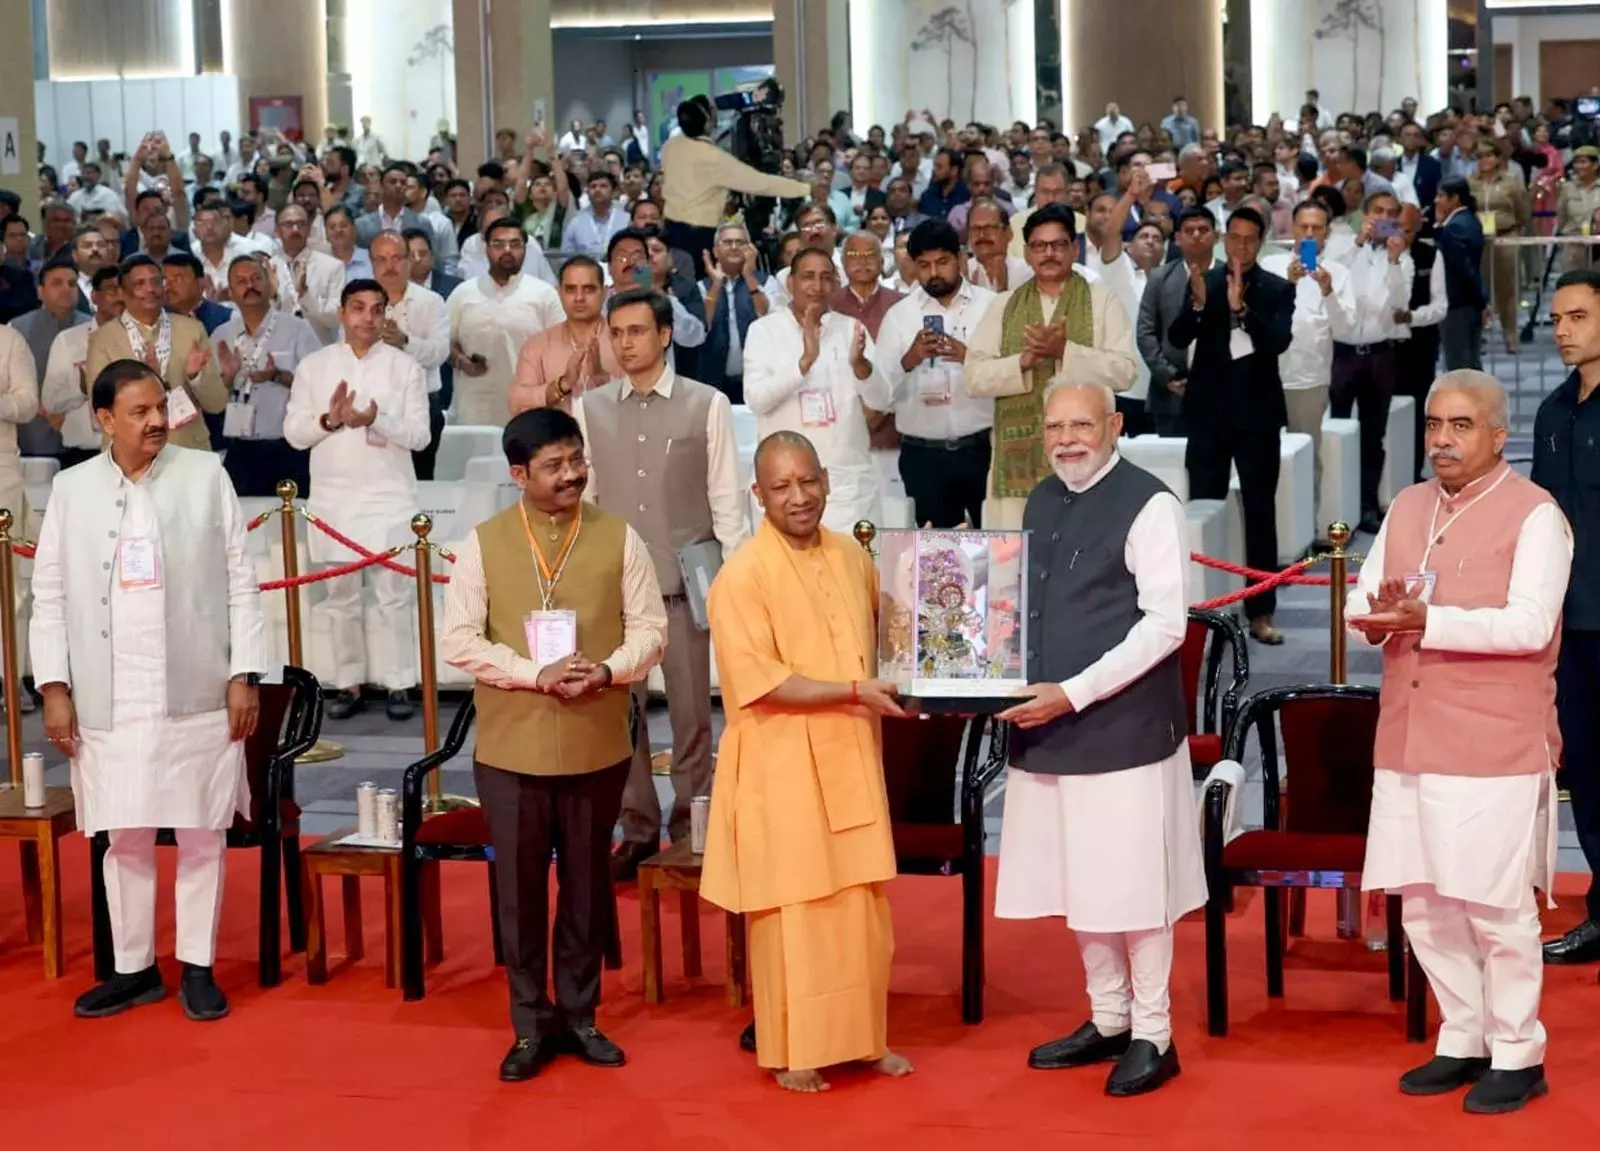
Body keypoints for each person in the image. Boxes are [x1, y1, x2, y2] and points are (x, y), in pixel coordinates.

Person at [1348, 369, 1569, 1115]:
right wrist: (1374, 615)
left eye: (1461, 426)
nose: (1442, 439)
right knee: (1425, 902)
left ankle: (1518, 1050)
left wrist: (1427, 623)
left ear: (1499, 435)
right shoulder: (1408, 504)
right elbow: (1364, 596)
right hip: (1407, 735)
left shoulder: (1536, 514)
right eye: (1435, 425)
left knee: (1494, 904)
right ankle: (1462, 1035)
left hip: (1493, 742)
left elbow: (1530, 624)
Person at [33, 358, 267, 1022]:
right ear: (103, 419)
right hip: (109, 692)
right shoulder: (73, 490)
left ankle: (198, 965)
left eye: (160, 407)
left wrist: (243, 673)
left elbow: (241, 580)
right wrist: (54, 686)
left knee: (201, 832)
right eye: (139, 412)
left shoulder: (204, 474)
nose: (158, 421)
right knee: (123, 834)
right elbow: (47, 595)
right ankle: (134, 968)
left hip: (196, 687)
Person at [439, 405, 667, 1081]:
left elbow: (652, 628)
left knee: (588, 886)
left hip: (598, 742)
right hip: (511, 748)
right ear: (518, 474)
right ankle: (529, 1022)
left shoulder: (619, 537)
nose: (571, 475)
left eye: (576, 461)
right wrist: (531, 673)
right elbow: (459, 640)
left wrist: (610, 668)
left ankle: (580, 1013)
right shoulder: (482, 543)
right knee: (518, 890)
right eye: (554, 466)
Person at [993, 379, 1206, 1096]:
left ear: (1115, 424)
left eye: (1081, 423)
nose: (1066, 439)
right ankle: (1108, 1016)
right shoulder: (1042, 497)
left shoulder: (1150, 503)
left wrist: (1074, 692)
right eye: (1054, 426)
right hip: (1049, 727)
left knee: (1133, 885)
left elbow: (1167, 624)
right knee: (1079, 881)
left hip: (1123, 730)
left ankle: (1154, 1031)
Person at [701, 430, 914, 1093]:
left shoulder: (853, 556)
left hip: (849, 749)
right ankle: (793, 1051)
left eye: (808, 481)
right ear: (757, 494)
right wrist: (853, 692)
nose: (799, 497)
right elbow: (761, 681)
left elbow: (891, 644)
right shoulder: (742, 575)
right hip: (781, 763)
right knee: (793, 913)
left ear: (826, 477)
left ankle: (864, 1039)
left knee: (859, 907)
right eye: (782, 487)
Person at [571, 288, 746, 878]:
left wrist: (735, 586)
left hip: (689, 589)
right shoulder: (590, 409)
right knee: (624, 717)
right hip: (618, 595)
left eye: (637, 331)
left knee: (695, 717)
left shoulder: (707, 404)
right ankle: (638, 829)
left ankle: (694, 827)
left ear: (665, 335)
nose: (625, 343)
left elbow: (727, 503)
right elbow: (585, 503)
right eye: (616, 333)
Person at [283, 279, 430, 722]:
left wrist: (375, 419)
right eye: (358, 308)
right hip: (334, 500)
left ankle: (400, 682)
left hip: (389, 498)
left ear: (387, 315)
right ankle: (348, 682)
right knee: (341, 598)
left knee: (394, 596)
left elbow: (420, 437)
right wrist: (330, 418)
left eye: (376, 309)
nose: (368, 317)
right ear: (343, 314)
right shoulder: (314, 366)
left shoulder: (407, 368)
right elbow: (294, 433)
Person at [964, 203, 1138, 529]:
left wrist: (1065, 352)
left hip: (1088, 458)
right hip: (1017, 467)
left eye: (1058, 245)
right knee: (1018, 562)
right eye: (1039, 246)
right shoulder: (1003, 306)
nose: (1049, 254)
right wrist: (1024, 362)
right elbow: (973, 378)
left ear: (1074, 249)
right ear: (1027, 253)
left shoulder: (1101, 300)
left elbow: (1125, 371)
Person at [1168, 206, 1295, 645]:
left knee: (1260, 513)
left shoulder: (1277, 288)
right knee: (1204, 510)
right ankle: (1208, 613)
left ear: (1260, 243)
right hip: (1208, 415)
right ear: (1225, 239)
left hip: (1257, 416)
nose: (1240, 246)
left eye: (1249, 239)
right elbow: (1178, 337)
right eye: (1234, 237)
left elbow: (1278, 341)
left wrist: (1243, 311)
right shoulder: (1206, 280)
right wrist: (1202, 304)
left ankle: (1261, 611)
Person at [1535, 270, 1600, 966]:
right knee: (1584, 766)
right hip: (1570, 621)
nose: (1562, 329)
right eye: (1556, 318)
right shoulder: (1553, 413)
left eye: (1578, 316)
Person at [743, 248, 892, 533]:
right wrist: (804, 363)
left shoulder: (851, 329)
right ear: (791, 284)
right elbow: (756, 400)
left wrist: (861, 366)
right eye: (808, 277)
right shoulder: (764, 331)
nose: (817, 286)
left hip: (845, 485)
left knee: (853, 573)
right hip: (787, 489)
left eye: (826, 278)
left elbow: (883, 400)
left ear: (835, 285)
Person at [873, 219, 995, 528]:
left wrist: (969, 357)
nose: (934, 273)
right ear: (913, 266)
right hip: (923, 456)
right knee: (937, 559)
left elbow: (1010, 373)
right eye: (924, 265)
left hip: (983, 449)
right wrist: (910, 359)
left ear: (960, 259)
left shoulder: (991, 307)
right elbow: (880, 393)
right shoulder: (900, 316)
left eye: (942, 262)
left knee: (996, 546)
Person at [1258, 200, 1355, 538]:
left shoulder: (1338, 273)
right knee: (1263, 457)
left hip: (1310, 380)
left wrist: (1327, 291)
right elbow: (1254, 316)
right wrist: (1288, 283)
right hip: (1265, 375)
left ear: (1327, 234)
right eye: (1304, 227)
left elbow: (1346, 330)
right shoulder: (1269, 265)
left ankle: (1307, 531)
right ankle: (1273, 531)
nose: (1309, 234)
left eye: (1317, 228)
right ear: (1293, 229)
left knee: (1307, 456)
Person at [1329, 191, 1413, 532]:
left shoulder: (1401, 258)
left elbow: (1400, 304)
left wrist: (1394, 262)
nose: (1383, 218)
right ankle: (1336, 506)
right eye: (1378, 211)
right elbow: (1333, 276)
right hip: (1340, 351)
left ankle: (1366, 505)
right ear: (1365, 214)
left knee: (1373, 434)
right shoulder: (1341, 245)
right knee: (1335, 429)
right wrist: (1357, 242)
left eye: (1391, 213)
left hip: (1380, 353)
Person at [659, 96, 810, 279]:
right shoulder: (712, 157)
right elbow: (761, 183)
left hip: (673, 230)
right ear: (706, 120)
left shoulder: (670, 148)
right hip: (700, 236)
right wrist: (805, 188)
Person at [86, 255, 225, 451]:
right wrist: (147, 383)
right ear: (123, 293)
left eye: (156, 281)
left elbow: (217, 403)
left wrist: (196, 377)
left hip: (187, 449)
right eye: (140, 284)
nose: (150, 289)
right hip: (130, 454)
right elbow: (98, 412)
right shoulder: (104, 338)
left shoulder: (192, 330)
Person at [211, 256, 321, 497]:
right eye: (241, 281)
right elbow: (213, 400)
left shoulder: (298, 329)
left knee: (291, 525)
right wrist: (227, 379)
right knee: (244, 526)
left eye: (256, 278)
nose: (250, 286)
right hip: (239, 449)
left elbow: (319, 386)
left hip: (287, 448)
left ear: (269, 285)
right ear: (230, 292)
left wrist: (277, 376)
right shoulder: (222, 335)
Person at [447, 218, 564, 425]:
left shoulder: (544, 294)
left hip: (529, 409)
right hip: (474, 408)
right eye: (498, 244)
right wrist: (461, 361)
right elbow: (444, 343)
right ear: (486, 249)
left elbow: (561, 348)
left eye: (515, 244)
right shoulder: (463, 293)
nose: (507, 250)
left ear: (526, 249)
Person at [1138, 206, 1219, 438]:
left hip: (1219, 394)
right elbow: (1145, 332)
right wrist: (1169, 376)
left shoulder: (1230, 278)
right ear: (1177, 238)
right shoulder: (1159, 278)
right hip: (1170, 393)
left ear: (1215, 235)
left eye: (1203, 229)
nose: (1196, 235)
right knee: (1169, 469)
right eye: (1189, 230)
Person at [11, 256, 89, 463]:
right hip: (31, 437)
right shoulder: (17, 329)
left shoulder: (94, 329)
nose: (66, 289)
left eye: (72, 284)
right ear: (40, 291)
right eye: (57, 283)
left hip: (82, 438)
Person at [696, 221, 776, 404]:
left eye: (740, 243)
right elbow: (701, 326)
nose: (734, 247)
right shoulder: (701, 287)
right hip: (712, 381)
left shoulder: (767, 281)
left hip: (758, 380)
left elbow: (769, 318)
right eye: (727, 242)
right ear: (716, 251)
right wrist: (716, 285)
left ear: (750, 249)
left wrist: (749, 277)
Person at [1434, 177, 1487, 371]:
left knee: (1459, 362)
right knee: (1469, 359)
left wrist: (1480, 299)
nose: (1436, 201)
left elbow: (1462, 268)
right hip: (1467, 302)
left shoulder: (1456, 226)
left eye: (1440, 196)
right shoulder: (1468, 220)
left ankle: (1468, 400)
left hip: (1457, 303)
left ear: (1455, 198)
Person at [277, 203, 345, 346]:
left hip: (320, 350)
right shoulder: (268, 269)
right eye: (288, 224)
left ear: (308, 229)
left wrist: (306, 295)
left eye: (300, 224)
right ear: (277, 231)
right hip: (279, 352)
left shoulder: (332, 267)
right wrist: (272, 296)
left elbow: (335, 318)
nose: (295, 229)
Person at [829, 231, 902, 338]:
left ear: (881, 262)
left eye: (871, 254)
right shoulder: (829, 305)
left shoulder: (900, 304)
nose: (863, 261)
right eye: (853, 254)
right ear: (843, 262)